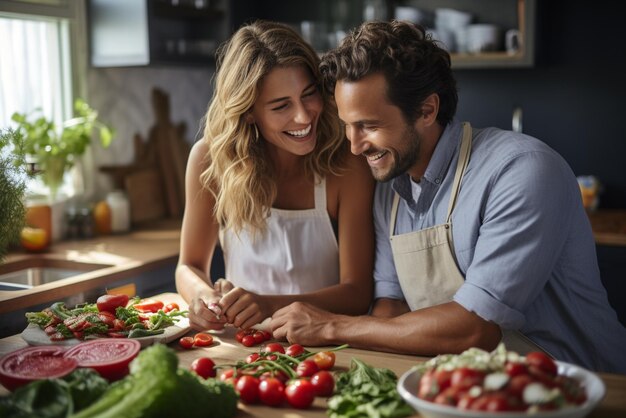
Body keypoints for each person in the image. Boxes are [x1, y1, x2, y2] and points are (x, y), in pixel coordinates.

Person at [270, 20, 626, 373]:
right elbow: (390, 309)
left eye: (370, 126)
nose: (355, 145)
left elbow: (475, 327)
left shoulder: (523, 170)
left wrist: (330, 325)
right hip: (476, 390)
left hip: (586, 390)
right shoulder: (388, 189)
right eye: (348, 125)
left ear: (427, 110)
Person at [176, 20, 375, 332]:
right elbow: (189, 266)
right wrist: (203, 297)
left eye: (309, 94)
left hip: (324, 344)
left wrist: (269, 304)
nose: (303, 115)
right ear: (249, 111)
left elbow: (357, 294)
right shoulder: (209, 160)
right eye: (282, 106)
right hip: (243, 347)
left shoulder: (346, 165)